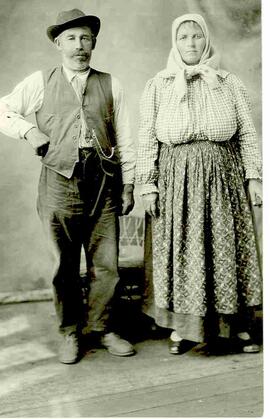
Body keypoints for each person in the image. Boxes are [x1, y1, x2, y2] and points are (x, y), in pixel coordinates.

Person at [0, 8, 136, 364]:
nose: (80, 46)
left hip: (104, 182)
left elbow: (126, 138)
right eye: (72, 39)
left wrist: (129, 185)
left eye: (85, 39)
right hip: (59, 182)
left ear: (94, 43)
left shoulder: (112, 84)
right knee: (64, 264)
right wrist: (30, 130)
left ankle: (103, 328)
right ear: (59, 44)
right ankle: (69, 332)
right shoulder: (40, 81)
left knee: (106, 263)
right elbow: (3, 110)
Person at [136, 14, 262, 355]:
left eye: (196, 36)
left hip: (223, 177)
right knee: (184, 252)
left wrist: (254, 177)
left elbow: (248, 133)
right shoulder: (158, 84)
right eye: (183, 37)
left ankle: (235, 329)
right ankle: (185, 330)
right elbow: (147, 138)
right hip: (177, 179)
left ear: (206, 40)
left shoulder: (228, 82)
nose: (191, 43)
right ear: (174, 43)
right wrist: (148, 186)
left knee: (225, 250)